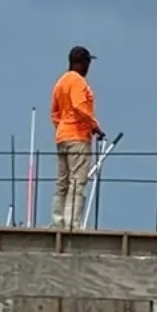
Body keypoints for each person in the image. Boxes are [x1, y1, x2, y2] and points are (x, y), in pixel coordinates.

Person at [51, 46, 104, 230]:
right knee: (77, 181)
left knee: (62, 181)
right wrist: (94, 126)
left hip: (62, 136)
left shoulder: (61, 82)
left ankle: (58, 221)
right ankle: (72, 223)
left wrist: (61, 128)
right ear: (82, 62)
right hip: (78, 136)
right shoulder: (78, 83)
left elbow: (55, 113)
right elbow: (80, 108)